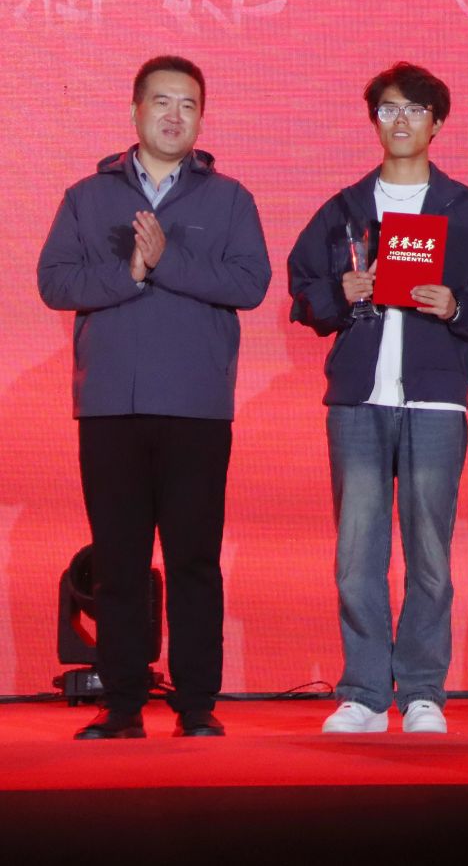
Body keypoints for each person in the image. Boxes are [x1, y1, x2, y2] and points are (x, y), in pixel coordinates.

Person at [37, 56, 271, 739]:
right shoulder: (88, 196)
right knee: (119, 560)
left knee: (194, 558)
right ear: (135, 110)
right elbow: (55, 282)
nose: (175, 116)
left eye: (189, 105)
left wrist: (168, 259)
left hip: (196, 405)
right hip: (110, 405)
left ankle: (197, 703)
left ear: (202, 118)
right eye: (162, 102)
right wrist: (130, 272)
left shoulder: (229, 199)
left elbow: (250, 283)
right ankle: (122, 704)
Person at [286, 63, 468, 735]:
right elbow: (303, 290)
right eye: (389, 109)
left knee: (430, 554)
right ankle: (363, 691)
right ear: (374, 120)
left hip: (435, 400)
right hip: (358, 401)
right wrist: (340, 293)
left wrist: (455, 306)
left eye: (415, 110)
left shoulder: (466, 210)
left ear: (436, 123)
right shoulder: (346, 209)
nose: (401, 121)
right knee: (357, 551)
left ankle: (421, 690)